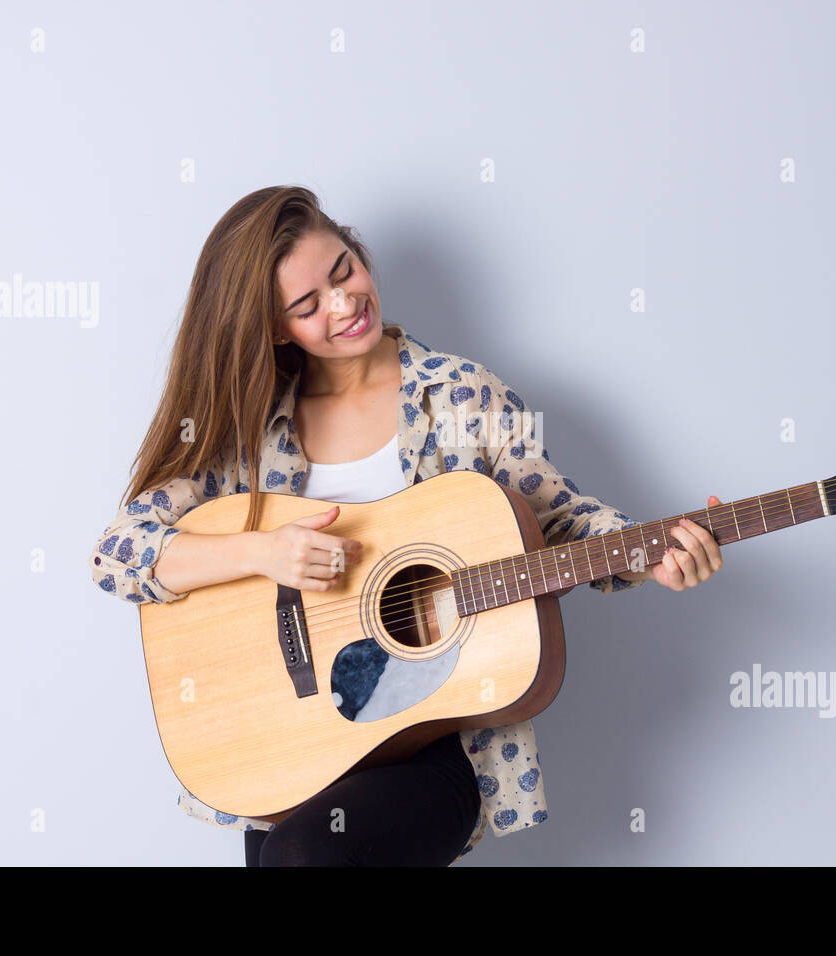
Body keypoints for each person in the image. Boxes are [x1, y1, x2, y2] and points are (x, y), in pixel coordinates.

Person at [89, 185, 724, 866]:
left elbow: (556, 521)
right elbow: (120, 556)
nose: (344, 304)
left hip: (433, 746)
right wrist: (265, 552)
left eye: (344, 272)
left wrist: (647, 552)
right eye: (308, 305)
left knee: (301, 859)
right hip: (287, 743)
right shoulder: (247, 431)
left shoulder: (462, 395)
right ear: (277, 329)